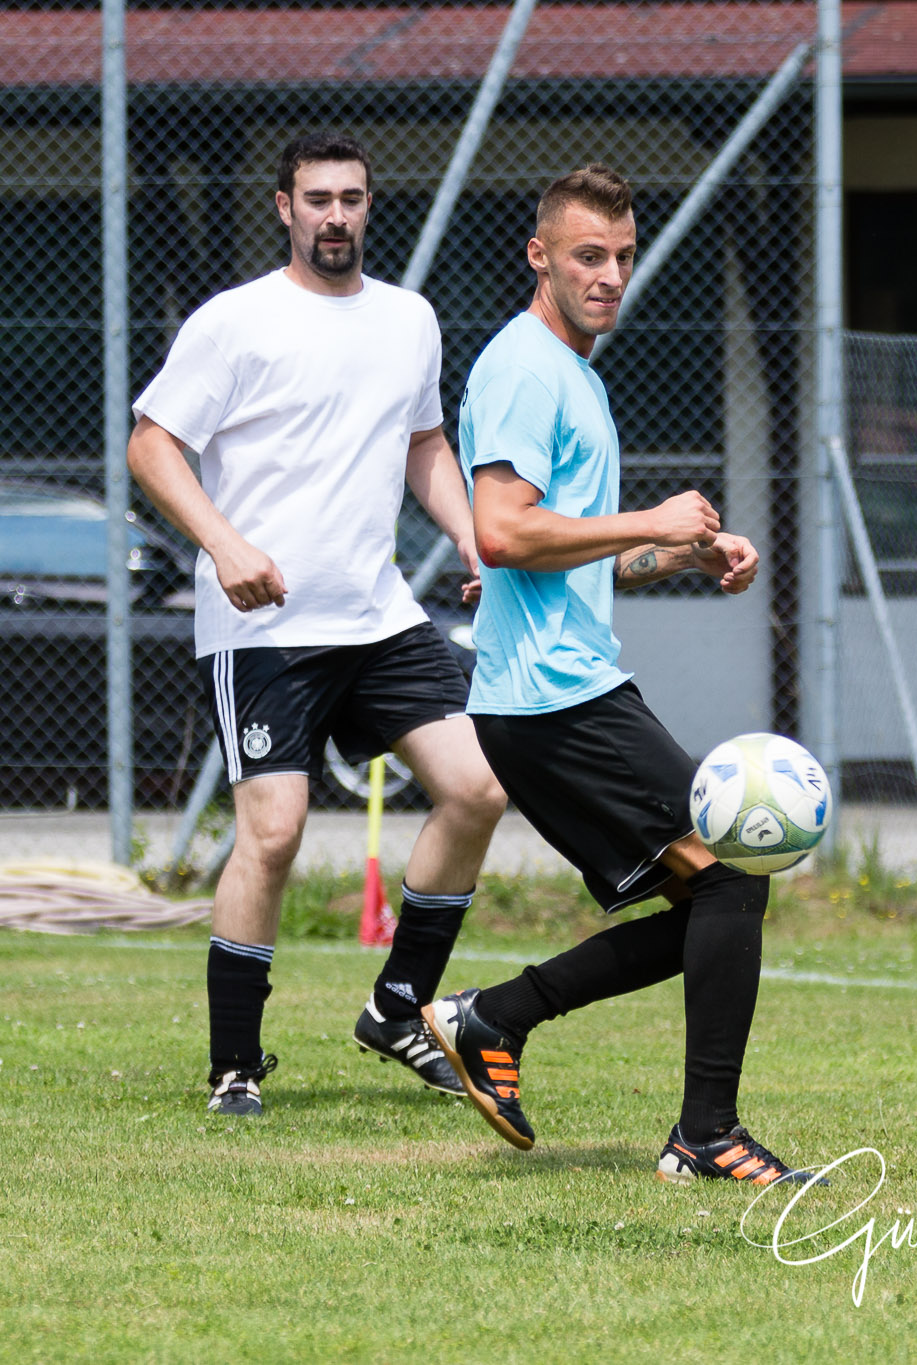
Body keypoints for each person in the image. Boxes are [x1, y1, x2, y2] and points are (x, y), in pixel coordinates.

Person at [421, 164, 821, 1188]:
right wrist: (651, 517)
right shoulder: (521, 367)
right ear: (539, 255)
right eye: (586, 255)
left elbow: (565, 550)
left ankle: (493, 1017)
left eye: (622, 256)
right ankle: (705, 1135)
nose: (608, 275)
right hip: (552, 700)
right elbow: (503, 532)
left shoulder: (574, 377)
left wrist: (679, 556)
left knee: (711, 902)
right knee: (735, 868)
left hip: (563, 689)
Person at [128, 133, 506, 1118]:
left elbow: (423, 439)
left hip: (377, 616)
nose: (335, 215)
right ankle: (235, 1067)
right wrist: (225, 545)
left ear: (370, 207)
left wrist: (469, 535)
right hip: (263, 630)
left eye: (352, 199)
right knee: (276, 834)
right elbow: (152, 444)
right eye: (317, 199)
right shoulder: (235, 322)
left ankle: (397, 1008)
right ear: (284, 209)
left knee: (476, 788)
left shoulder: (409, 320)